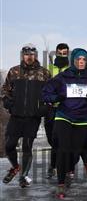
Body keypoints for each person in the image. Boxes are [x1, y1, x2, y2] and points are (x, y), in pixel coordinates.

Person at [42, 48, 87, 199]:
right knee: (63, 148)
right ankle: (61, 183)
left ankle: (69, 169)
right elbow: (45, 93)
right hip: (64, 116)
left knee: (75, 151)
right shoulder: (62, 77)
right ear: (73, 60)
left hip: (83, 118)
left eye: (84, 60)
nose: (81, 62)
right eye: (78, 59)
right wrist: (57, 97)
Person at [1, 44, 51, 187]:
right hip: (16, 116)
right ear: (22, 55)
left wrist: (45, 108)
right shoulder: (14, 71)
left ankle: (23, 176)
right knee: (9, 146)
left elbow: (51, 93)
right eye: (26, 54)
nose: (29, 57)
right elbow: (5, 90)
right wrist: (8, 103)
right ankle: (15, 167)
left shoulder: (44, 73)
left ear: (35, 55)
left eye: (32, 54)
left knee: (27, 147)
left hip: (33, 117)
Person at [44, 42, 69, 179]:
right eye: (60, 53)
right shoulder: (48, 69)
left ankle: (55, 165)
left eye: (65, 54)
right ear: (56, 53)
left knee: (59, 138)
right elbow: (43, 87)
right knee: (51, 139)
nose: (62, 56)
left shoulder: (71, 69)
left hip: (65, 109)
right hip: (50, 108)